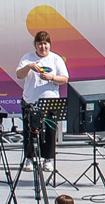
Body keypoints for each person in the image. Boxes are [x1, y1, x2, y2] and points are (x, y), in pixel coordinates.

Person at [14, 30, 68, 162]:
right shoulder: (27, 58)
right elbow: (19, 75)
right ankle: (30, 158)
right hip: (31, 101)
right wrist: (29, 67)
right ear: (35, 45)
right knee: (29, 131)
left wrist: (51, 77)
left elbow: (65, 79)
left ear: (49, 45)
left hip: (50, 101)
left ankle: (48, 159)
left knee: (49, 131)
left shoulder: (56, 59)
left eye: (45, 44)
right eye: (40, 44)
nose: (43, 47)